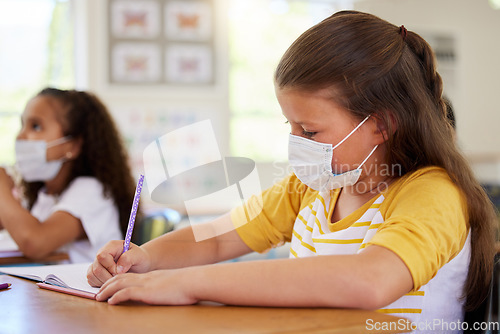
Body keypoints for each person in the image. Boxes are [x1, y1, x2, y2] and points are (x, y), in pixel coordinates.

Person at [87, 10, 497, 330]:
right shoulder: (309, 189)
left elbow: (369, 281)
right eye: (291, 126)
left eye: (311, 130)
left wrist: (186, 283)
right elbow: (212, 241)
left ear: (380, 124)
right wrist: (143, 260)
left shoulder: (434, 194)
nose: (296, 143)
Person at [0, 87, 138, 263]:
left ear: (72, 146)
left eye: (35, 126)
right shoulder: (45, 195)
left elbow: (34, 243)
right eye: (22, 125)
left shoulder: (90, 191)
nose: (20, 136)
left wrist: (1, 186)